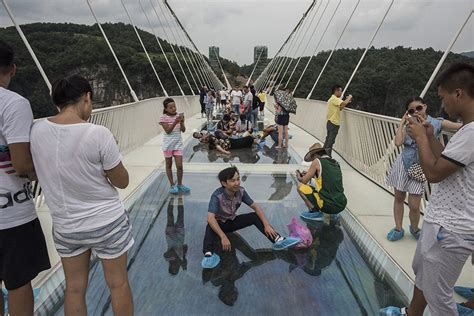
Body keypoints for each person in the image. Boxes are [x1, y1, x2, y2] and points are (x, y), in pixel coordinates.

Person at [30, 75, 133, 316]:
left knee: (74, 289)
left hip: (67, 226)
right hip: (107, 222)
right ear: (87, 97)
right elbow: (122, 181)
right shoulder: (98, 134)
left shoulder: (36, 130)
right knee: (118, 284)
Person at [380, 63, 474, 316]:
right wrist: (431, 137)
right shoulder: (467, 130)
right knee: (423, 273)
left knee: (438, 295)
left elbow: (433, 173)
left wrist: (420, 137)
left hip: (453, 227)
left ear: (458, 94)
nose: (442, 105)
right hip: (442, 220)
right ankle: (412, 313)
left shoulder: (471, 132)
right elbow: (447, 164)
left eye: (443, 97)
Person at [0, 40, 50, 316]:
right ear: (13, 69)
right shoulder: (14, 104)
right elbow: (21, 164)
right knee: (18, 283)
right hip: (10, 213)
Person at [386, 97, 461, 242]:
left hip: (421, 167)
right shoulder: (408, 125)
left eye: (419, 108)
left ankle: (414, 228)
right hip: (403, 163)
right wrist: (402, 123)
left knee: (415, 205)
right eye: (411, 110)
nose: (416, 112)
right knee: (399, 198)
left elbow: (458, 126)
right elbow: (398, 142)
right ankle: (398, 228)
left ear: (425, 106)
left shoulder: (436, 122)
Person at [201, 166, 300, 269]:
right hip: (218, 224)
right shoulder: (217, 196)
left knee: (254, 217)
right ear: (224, 183)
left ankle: (277, 239)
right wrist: (223, 236)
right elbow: (210, 218)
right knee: (210, 226)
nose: (237, 183)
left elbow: (256, 207)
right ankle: (208, 254)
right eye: (232, 180)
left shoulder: (241, 192)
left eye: (238, 179)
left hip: (231, 222)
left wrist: (266, 225)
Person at [296, 143, 347, 221]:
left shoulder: (317, 161)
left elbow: (304, 181)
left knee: (300, 187)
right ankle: (332, 214)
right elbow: (328, 178)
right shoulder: (335, 163)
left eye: (312, 157)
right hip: (341, 204)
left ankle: (315, 212)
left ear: (315, 155)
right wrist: (312, 175)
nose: (312, 160)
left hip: (327, 206)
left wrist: (299, 177)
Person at [159, 98, 191, 194]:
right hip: (168, 145)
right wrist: (175, 122)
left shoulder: (178, 116)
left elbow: (183, 130)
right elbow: (168, 131)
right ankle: (172, 185)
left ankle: (180, 184)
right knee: (168, 165)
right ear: (166, 109)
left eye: (174, 106)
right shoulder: (163, 117)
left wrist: (181, 122)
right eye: (171, 107)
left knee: (180, 166)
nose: (173, 109)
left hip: (178, 144)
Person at [323, 85, 352, 156]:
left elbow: (340, 107)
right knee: (330, 142)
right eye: (340, 91)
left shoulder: (332, 99)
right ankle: (327, 158)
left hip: (330, 122)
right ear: (336, 91)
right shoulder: (334, 99)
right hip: (333, 123)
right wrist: (349, 97)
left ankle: (322, 155)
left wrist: (347, 101)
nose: (341, 93)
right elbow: (344, 103)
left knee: (328, 140)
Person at [163, 197, 187, 276]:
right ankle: (180, 199)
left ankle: (172, 199)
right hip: (180, 234)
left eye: (173, 268)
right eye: (176, 269)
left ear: (170, 267)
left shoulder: (168, 259)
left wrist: (178, 258)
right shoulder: (181, 259)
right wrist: (183, 258)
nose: (175, 267)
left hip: (170, 235)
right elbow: (185, 246)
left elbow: (171, 251)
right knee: (181, 213)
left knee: (170, 214)